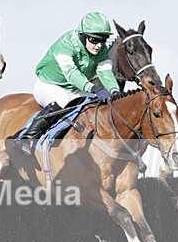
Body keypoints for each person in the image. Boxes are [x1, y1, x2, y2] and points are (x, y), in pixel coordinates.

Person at [19, 12, 121, 155]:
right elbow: (72, 74)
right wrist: (94, 88)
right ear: (83, 35)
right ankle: (28, 137)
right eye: (94, 40)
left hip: (73, 88)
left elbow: (105, 72)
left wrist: (114, 91)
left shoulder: (102, 50)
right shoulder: (66, 44)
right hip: (49, 85)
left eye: (103, 40)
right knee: (62, 100)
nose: (98, 46)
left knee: (96, 103)